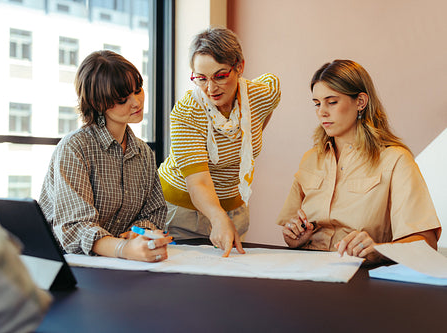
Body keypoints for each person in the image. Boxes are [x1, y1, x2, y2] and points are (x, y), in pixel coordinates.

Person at [276, 59, 441, 263]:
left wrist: (378, 250)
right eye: (317, 104)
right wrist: (295, 237)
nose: (322, 112)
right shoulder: (310, 159)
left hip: (362, 279)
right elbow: (291, 232)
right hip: (308, 272)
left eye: (332, 102)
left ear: (360, 102)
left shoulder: (395, 160)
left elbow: (426, 242)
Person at [158, 27, 281, 257]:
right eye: (201, 78)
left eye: (220, 76)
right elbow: (199, 183)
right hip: (180, 210)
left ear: (239, 67)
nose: (211, 88)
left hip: (234, 207)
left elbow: (267, 98)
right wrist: (217, 217)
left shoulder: (262, 95)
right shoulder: (187, 112)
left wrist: (245, 138)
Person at [39, 50, 172, 262]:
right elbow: (75, 228)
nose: (136, 102)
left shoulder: (143, 152)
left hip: (117, 265)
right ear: (98, 103)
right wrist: (124, 248)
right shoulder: (75, 147)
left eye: (138, 90)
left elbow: (153, 212)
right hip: (67, 264)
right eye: (122, 99)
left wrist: (137, 233)